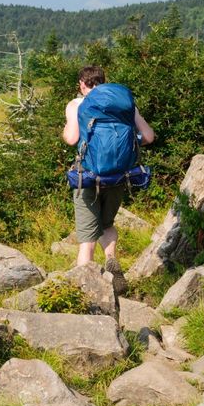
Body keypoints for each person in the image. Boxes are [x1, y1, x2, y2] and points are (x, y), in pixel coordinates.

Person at [62, 65, 154, 269]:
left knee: (87, 240)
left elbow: (71, 139)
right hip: (118, 176)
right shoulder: (126, 105)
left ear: (81, 84)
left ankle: (86, 288)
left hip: (87, 177)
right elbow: (148, 136)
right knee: (107, 225)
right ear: (104, 81)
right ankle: (111, 258)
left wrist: (66, 129)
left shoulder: (77, 104)